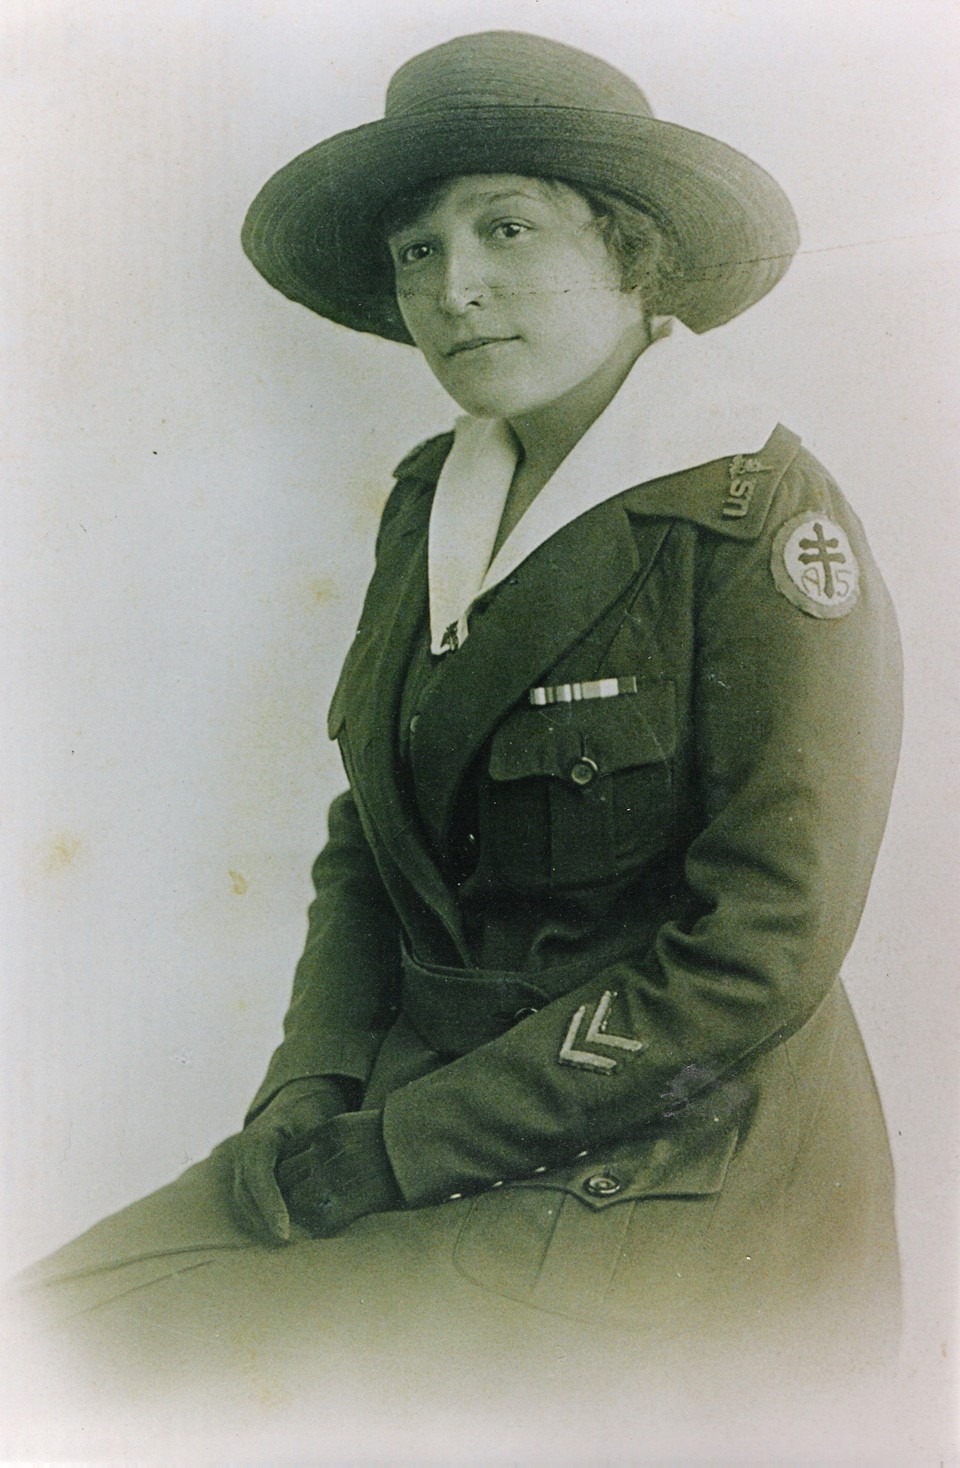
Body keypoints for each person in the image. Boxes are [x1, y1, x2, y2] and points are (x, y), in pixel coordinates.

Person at [16, 28, 902, 1418]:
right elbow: (370, 846)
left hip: (678, 1183)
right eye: (417, 250)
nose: (454, 287)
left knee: (151, 1384)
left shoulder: (751, 518)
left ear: (632, 254)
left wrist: (388, 1155)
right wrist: (306, 1095)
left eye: (507, 228)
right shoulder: (436, 497)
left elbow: (756, 955)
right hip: (409, 1116)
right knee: (48, 1326)